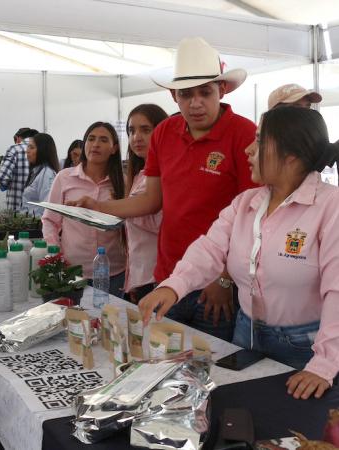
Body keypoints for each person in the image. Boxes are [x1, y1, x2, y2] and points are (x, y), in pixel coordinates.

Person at [139, 106, 339, 400]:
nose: (247, 149)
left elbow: (336, 291)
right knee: (243, 418)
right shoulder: (247, 202)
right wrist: (174, 285)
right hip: (247, 335)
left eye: (259, 141)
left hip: (306, 348)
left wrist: (324, 363)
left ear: (291, 154)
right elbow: (210, 248)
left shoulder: (329, 207)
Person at [69, 37, 257, 340]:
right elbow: (151, 199)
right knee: (164, 366)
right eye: (186, 94)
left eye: (205, 92)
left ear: (222, 90)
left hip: (215, 284)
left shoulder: (245, 133)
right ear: (174, 95)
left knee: (213, 373)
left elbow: (252, 216)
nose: (195, 103)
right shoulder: (165, 133)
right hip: (168, 276)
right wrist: (99, 206)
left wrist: (223, 278)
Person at [42, 122, 126, 297]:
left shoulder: (122, 182)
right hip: (72, 270)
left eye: (103, 140)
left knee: (108, 321)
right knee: (74, 320)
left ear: (114, 148)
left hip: (114, 271)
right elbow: (50, 220)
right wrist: (56, 254)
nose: (95, 144)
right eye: (91, 139)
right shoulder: (64, 178)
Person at [123, 104, 168, 303]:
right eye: (132, 131)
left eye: (145, 130)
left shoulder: (167, 174)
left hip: (158, 277)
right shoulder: (140, 175)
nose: (137, 137)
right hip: (141, 276)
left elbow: (164, 224)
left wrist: (123, 211)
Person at [0, 127, 39, 210]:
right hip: (37, 210)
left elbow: (2, 176)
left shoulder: (15, 149)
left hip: (16, 206)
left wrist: (5, 185)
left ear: (18, 138)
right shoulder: (42, 150)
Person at [22, 132, 60, 216]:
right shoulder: (36, 171)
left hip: (37, 224)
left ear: (42, 150)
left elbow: (47, 207)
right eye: (28, 146)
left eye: (31, 147)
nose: (27, 151)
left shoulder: (46, 173)